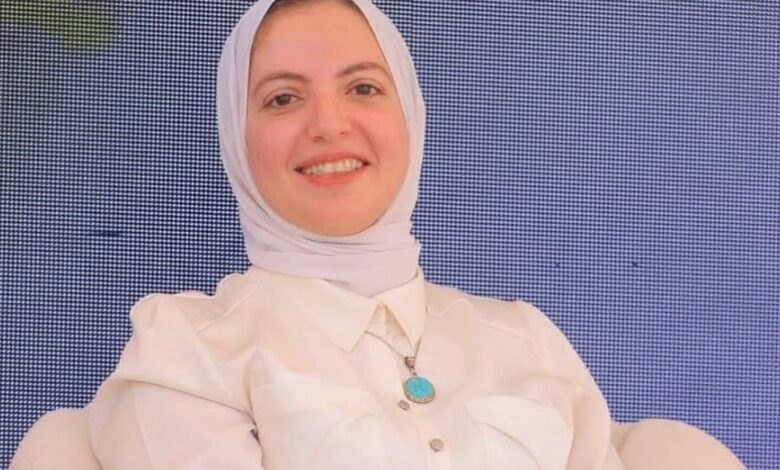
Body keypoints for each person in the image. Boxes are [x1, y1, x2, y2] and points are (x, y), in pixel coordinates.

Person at [81, 0, 744, 468]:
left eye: (364, 88)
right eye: (283, 98)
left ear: (410, 117)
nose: (329, 124)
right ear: (237, 138)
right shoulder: (186, 350)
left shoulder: (524, 339)